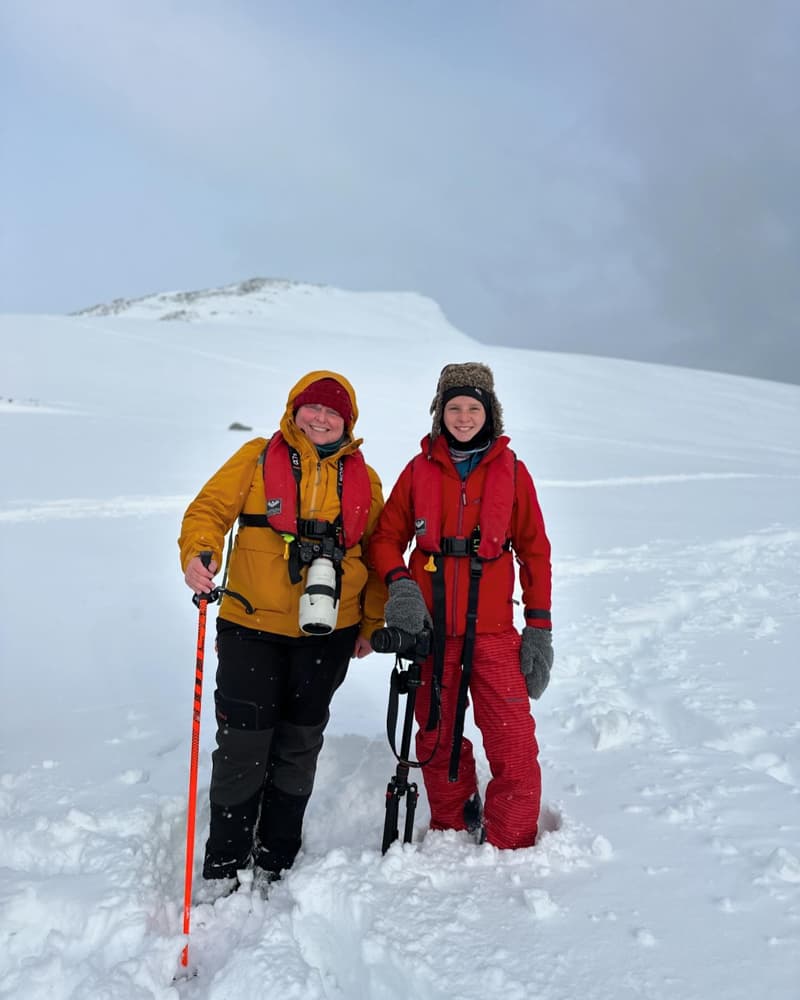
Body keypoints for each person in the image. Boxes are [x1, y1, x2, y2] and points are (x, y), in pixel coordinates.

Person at [179, 370, 386, 890]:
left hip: (329, 632)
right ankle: (225, 861)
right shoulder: (254, 456)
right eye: (311, 408)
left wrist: (371, 622)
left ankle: (277, 856)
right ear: (293, 410)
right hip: (251, 623)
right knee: (243, 743)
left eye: (332, 412)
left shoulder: (367, 478)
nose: (320, 418)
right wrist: (198, 552)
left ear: (348, 421)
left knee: (300, 742)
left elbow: (380, 555)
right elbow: (209, 510)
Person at [368, 362, 552, 850]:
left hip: (494, 633)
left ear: (491, 414)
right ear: (439, 413)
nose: (464, 417)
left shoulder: (513, 472)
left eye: (474, 408)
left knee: (513, 741)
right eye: (454, 408)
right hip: (433, 632)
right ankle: (452, 825)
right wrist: (401, 585)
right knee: (435, 735)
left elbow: (535, 550)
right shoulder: (418, 469)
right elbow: (385, 539)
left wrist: (539, 627)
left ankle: (513, 841)